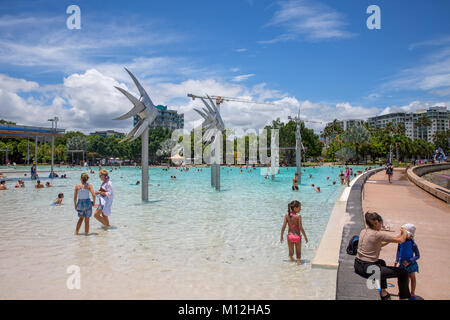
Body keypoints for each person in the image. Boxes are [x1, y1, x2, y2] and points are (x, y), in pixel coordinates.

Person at [354, 211, 410, 300]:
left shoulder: (363, 231)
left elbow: (380, 244)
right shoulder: (378, 234)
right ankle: (404, 297)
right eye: (381, 223)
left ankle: (383, 292)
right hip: (369, 269)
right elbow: (402, 240)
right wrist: (404, 232)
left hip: (358, 265)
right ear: (376, 222)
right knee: (403, 272)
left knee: (382, 262)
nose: (381, 225)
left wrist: (397, 236)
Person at [395, 224, 420, 300]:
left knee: (412, 278)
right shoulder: (400, 241)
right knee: (402, 278)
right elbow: (399, 250)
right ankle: (404, 291)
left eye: (403, 233)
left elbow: (417, 255)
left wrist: (409, 261)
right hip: (402, 263)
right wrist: (396, 259)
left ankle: (412, 293)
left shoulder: (413, 244)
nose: (401, 235)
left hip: (410, 264)